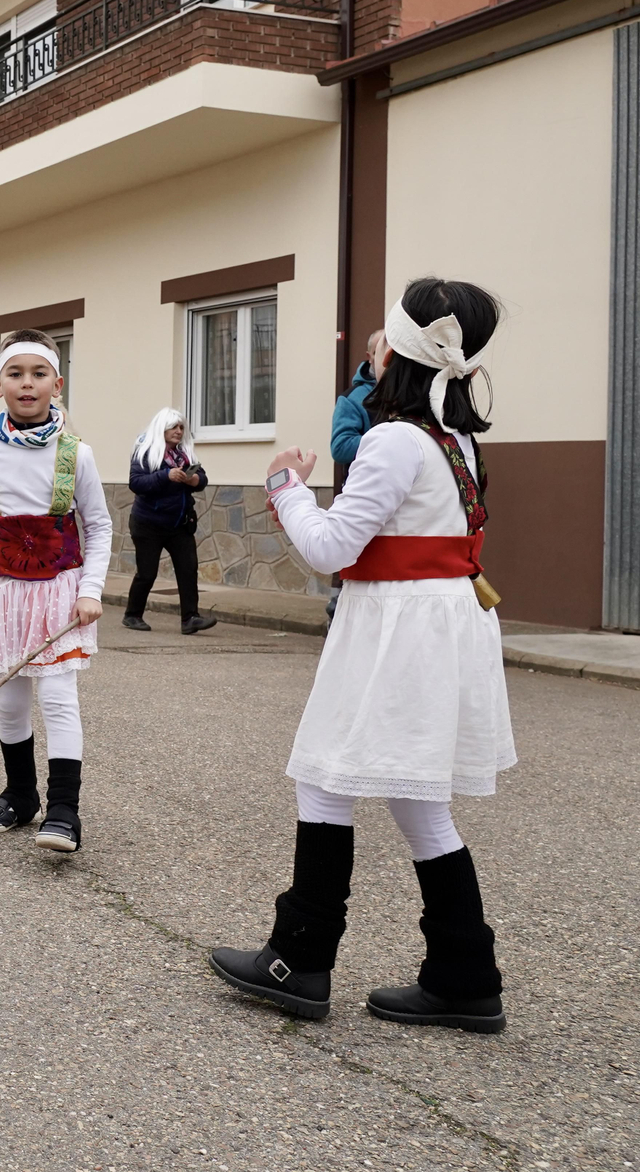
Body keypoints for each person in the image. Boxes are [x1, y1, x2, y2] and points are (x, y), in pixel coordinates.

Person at [211, 277, 514, 1034]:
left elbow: (331, 549)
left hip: (396, 627)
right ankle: (464, 974)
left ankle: (299, 958)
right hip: (439, 623)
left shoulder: (393, 440)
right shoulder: (457, 439)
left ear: (399, 351)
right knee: (419, 801)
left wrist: (285, 486)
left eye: (382, 338)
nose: (372, 348)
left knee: (324, 777)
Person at [0, 329, 109, 853]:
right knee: (9, 701)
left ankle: (64, 810)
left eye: (38, 374)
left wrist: (91, 589)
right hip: (3, 591)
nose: (26, 384)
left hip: (58, 593)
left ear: (57, 383)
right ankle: (20, 795)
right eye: (15, 374)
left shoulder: (77, 453)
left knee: (57, 698)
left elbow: (98, 526)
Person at [121, 409, 215, 635]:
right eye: (174, 427)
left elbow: (202, 479)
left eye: (181, 427)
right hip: (148, 524)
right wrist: (166, 476)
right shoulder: (145, 452)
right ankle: (132, 615)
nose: (179, 431)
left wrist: (194, 479)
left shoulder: (185, 455)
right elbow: (136, 483)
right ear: (161, 428)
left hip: (179, 523)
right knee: (147, 573)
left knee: (188, 569)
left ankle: (190, 618)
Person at [326, 328, 387, 621]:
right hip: (364, 492)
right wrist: (385, 438)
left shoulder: (407, 393)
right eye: (382, 351)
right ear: (370, 357)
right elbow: (339, 448)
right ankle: (337, 611)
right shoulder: (353, 399)